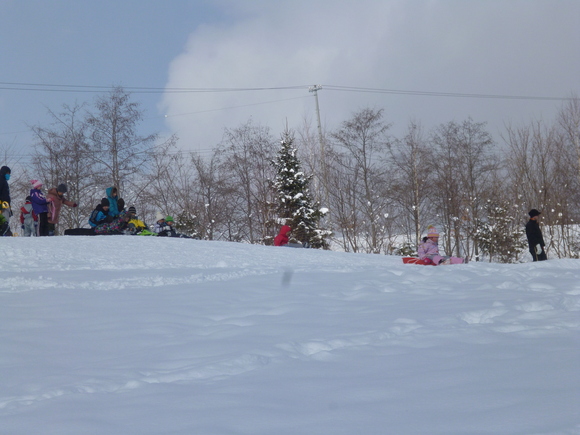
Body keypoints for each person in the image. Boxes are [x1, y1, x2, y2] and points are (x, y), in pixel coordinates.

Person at [0, 166, 12, 235]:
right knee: (4, 220)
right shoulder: (1, 180)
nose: (9, 175)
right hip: (2, 204)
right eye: (8, 173)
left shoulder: (3, 181)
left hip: (5, 203)